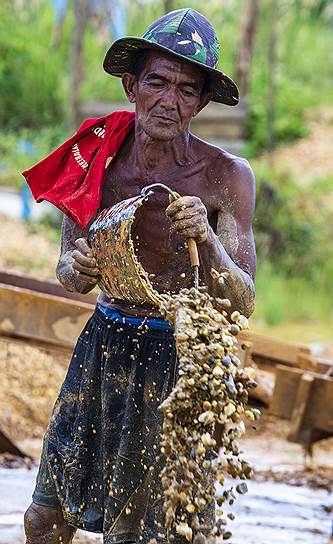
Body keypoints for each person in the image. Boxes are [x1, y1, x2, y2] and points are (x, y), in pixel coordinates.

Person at [23, 8, 256, 544]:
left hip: (179, 357)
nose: (169, 101)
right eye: (157, 81)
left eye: (185, 89)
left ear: (199, 102)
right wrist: (77, 267)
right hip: (103, 343)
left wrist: (208, 239)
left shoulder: (226, 177)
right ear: (131, 85)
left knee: (147, 533)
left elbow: (242, 300)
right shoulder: (97, 156)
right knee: (45, 518)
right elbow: (69, 271)